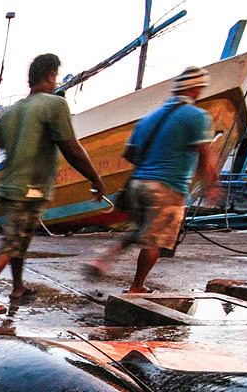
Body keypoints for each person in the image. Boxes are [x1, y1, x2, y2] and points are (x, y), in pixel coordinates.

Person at [0, 53, 106, 313]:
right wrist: (95, 178)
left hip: (8, 188)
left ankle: (18, 287)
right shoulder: (54, 105)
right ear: (51, 76)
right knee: (13, 242)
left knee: (20, 240)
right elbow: (72, 148)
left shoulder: (10, 113)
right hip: (29, 189)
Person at [86, 66, 218, 293]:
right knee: (154, 240)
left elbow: (129, 154)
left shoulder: (149, 118)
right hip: (167, 187)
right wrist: (212, 185)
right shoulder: (197, 116)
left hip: (138, 184)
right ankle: (137, 286)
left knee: (143, 230)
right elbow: (205, 154)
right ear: (195, 90)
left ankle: (104, 259)